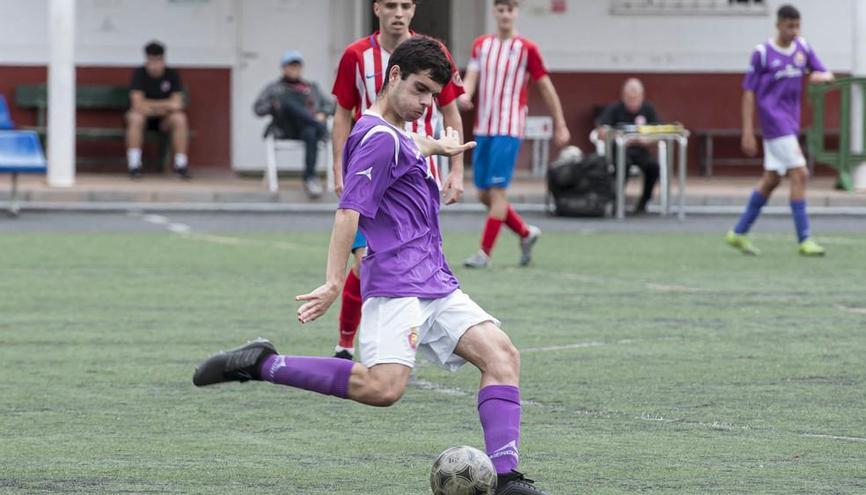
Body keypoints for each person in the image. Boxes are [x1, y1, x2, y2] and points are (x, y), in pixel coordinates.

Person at [193, 37, 549, 495]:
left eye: (433, 97)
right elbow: (348, 211)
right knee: (383, 389)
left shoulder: (394, 132)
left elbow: (409, 143)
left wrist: (437, 146)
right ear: (394, 75)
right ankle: (263, 363)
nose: (426, 104)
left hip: (436, 281)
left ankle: (507, 480)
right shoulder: (377, 140)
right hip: (398, 283)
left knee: (502, 356)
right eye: (420, 91)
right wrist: (333, 282)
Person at [329, 0, 466, 360]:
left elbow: (450, 111)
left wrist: (456, 169)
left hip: (421, 174)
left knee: (420, 256)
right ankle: (348, 344)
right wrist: (338, 167)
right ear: (377, 9)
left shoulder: (434, 54)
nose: (399, 12)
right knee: (366, 259)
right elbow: (342, 114)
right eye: (391, 5)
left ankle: (406, 339)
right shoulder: (356, 55)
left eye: (406, 5)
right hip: (373, 171)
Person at [458, 0, 570, 269]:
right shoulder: (481, 45)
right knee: (484, 194)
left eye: (510, 10)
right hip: (483, 127)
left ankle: (484, 253)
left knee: (497, 192)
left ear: (516, 13)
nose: (505, 14)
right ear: (494, 13)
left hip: (509, 128)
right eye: (501, 9)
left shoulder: (526, 49)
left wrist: (561, 123)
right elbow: (472, 76)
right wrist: (466, 95)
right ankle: (525, 233)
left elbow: (546, 87)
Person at [727, 5, 833, 256]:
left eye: (797, 26)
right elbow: (748, 93)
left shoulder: (802, 49)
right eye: (789, 26)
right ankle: (804, 239)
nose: (794, 31)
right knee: (800, 173)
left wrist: (823, 77)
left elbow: (824, 72)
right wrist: (747, 130)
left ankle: (738, 232)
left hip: (791, 122)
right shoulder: (762, 53)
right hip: (774, 122)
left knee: (772, 179)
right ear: (778, 25)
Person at [253, 50, 334, 198]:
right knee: (287, 102)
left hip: (306, 129)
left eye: (297, 66)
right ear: (283, 68)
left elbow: (330, 105)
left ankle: (309, 178)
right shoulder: (275, 88)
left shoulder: (311, 87)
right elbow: (258, 108)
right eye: (290, 66)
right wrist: (273, 106)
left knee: (311, 131)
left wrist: (323, 112)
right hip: (285, 128)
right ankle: (320, 128)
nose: (294, 69)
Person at [595, 78, 661, 214]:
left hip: (641, 150)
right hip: (620, 150)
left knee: (654, 167)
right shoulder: (614, 109)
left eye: (635, 98)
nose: (632, 102)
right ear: (623, 96)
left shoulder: (648, 109)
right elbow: (601, 130)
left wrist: (646, 140)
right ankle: (616, 201)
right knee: (622, 165)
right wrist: (617, 137)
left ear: (641, 96)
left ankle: (643, 202)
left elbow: (658, 132)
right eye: (629, 98)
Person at [126, 40, 191, 179]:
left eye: (158, 60)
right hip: (144, 118)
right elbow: (137, 103)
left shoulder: (172, 74)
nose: (154, 65)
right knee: (135, 118)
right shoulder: (139, 73)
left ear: (163, 60)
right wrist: (165, 105)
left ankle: (181, 165)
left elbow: (177, 103)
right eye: (151, 60)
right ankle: (134, 164)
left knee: (180, 118)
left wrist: (151, 105)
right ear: (147, 60)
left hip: (164, 120)